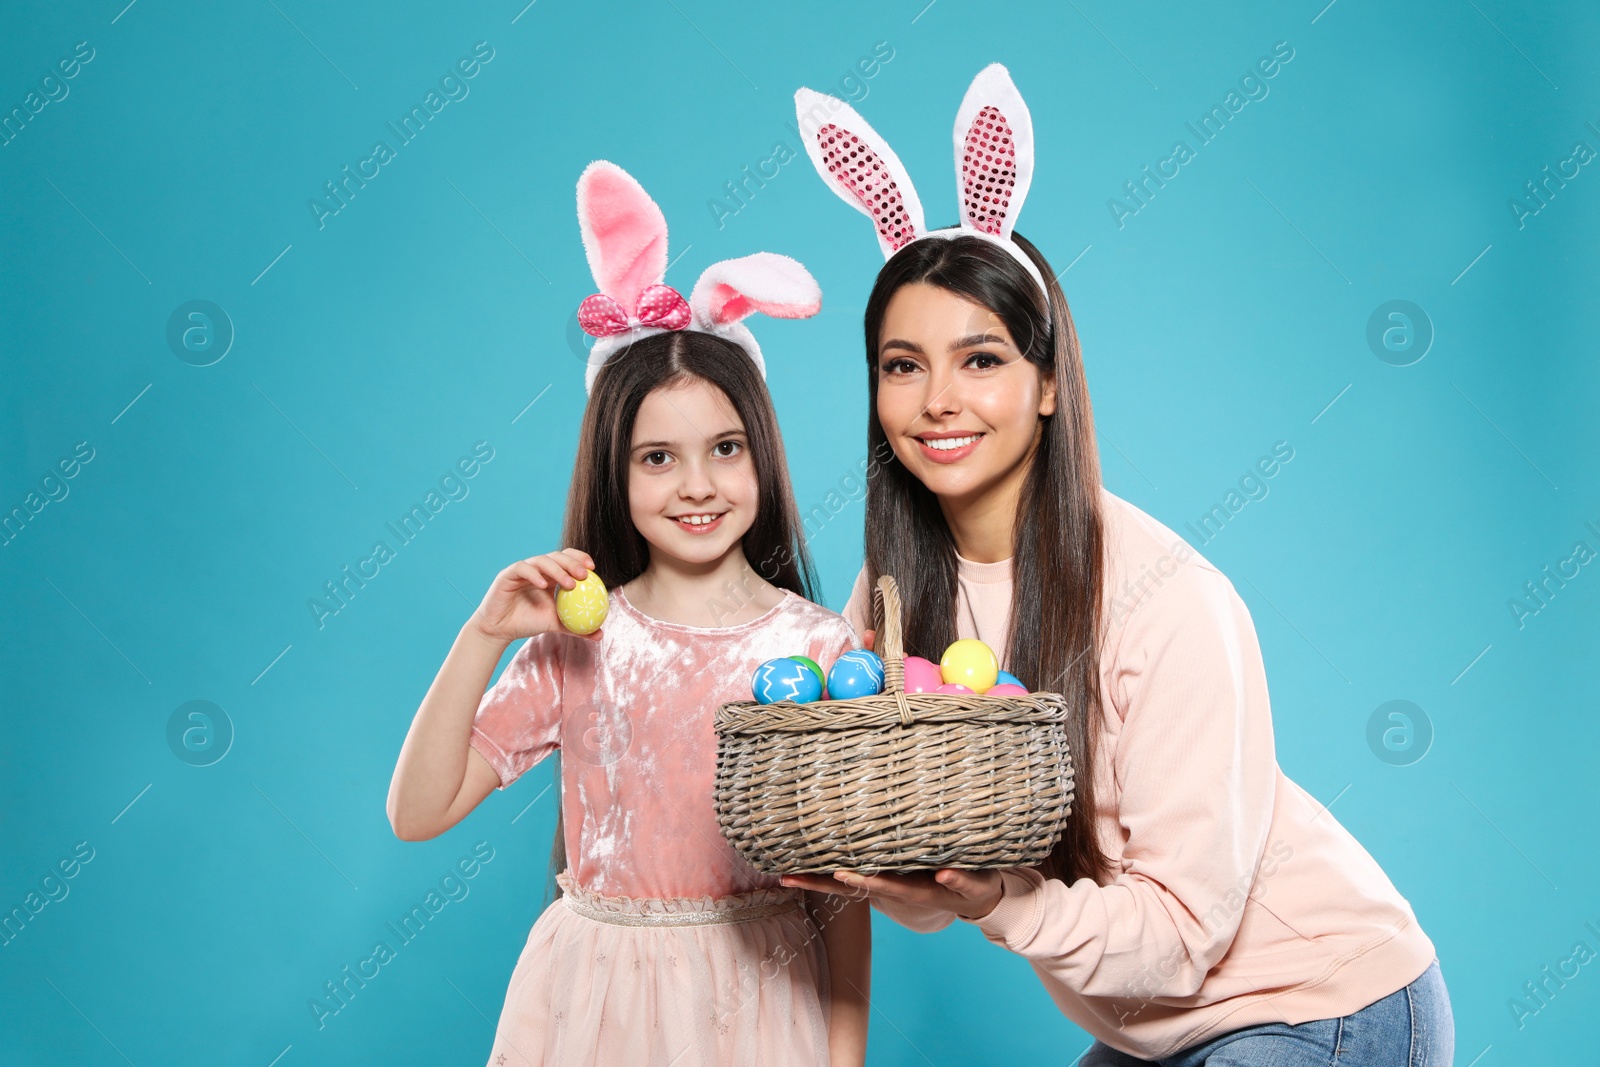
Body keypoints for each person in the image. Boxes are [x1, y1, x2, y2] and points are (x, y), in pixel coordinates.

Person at [779, 65, 1453, 1064]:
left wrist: (1000, 900)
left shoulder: (1164, 598)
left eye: (982, 358)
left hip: (1317, 1002)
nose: (936, 401)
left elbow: (1179, 939)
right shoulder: (895, 592)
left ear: (1048, 381)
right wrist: (892, 872)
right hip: (1156, 1025)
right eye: (901, 364)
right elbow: (933, 886)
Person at [385, 161, 870, 1067]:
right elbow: (416, 812)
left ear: (761, 451)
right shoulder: (585, 639)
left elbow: (839, 895)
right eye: (657, 457)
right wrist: (481, 637)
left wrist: (845, 1058)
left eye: (725, 448)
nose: (697, 484)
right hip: (591, 1005)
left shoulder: (816, 646)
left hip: (761, 998)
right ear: (615, 470)